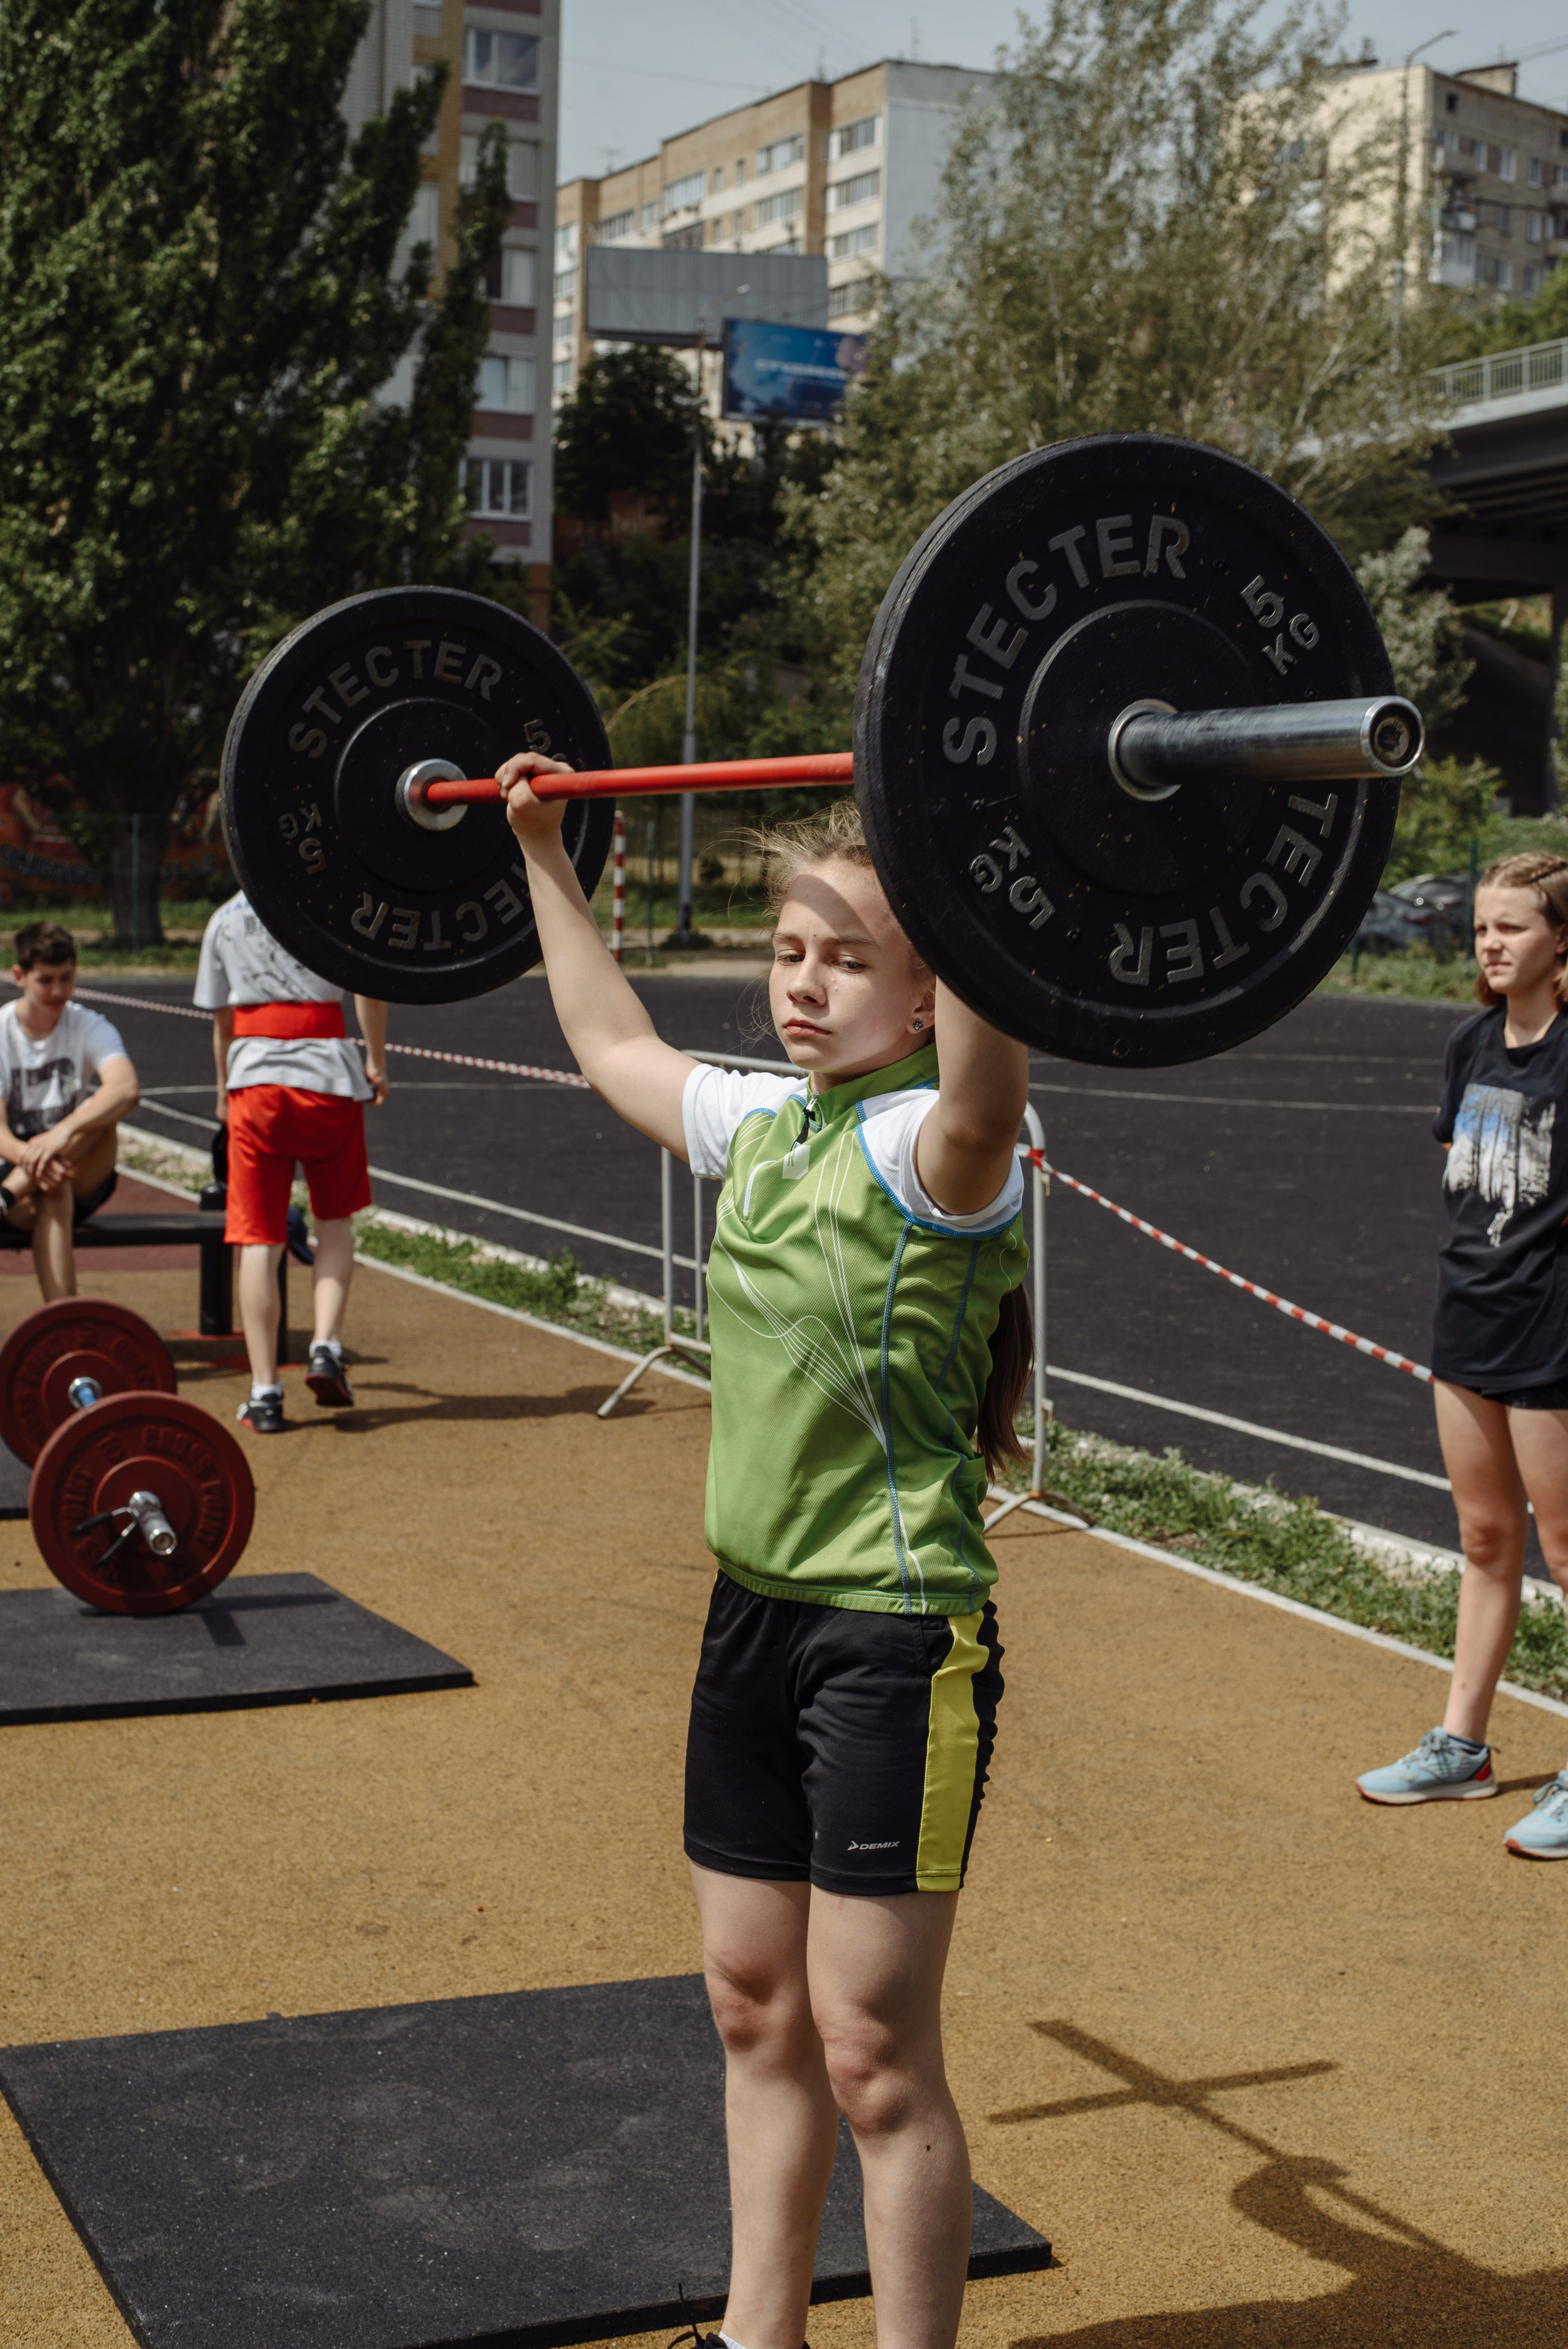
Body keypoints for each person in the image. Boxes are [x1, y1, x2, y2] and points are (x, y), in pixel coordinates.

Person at [500, 768, 1031, 2349]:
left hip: (893, 1639)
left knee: (874, 2047)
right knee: (752, 2004)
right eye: (788, 953)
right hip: (752, 1625)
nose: (804, 983)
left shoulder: (937, 1150)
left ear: (929, 982)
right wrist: (543, 848)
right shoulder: (769, 1121)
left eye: (848, 958)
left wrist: (997, 876)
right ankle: (757, 2336)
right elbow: (610, 1042)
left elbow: (990, 1096)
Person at [1357, 851, 1568, 1858]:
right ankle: (1464, 1750)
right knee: (1486, 1542)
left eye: (1514, 927)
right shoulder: (1469, 1042)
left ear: (1561, 941)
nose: (1490, 942)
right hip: (1468, 1318)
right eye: (1483, 926)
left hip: (1554, 1331)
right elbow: (1465, 1172)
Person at [195, 892, 388, 1433]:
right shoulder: (330, 903)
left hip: (253, 1078)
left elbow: (223, 1021)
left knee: (259, 1237)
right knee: (334, 1219)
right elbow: (368, 988)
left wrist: (220, 1091)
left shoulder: (223, 918)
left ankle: (265, 1392)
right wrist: (376, 1060)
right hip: (327, 1071)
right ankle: (325, 1345)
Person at [0, 919, 140, 1299]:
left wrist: (60, 1133)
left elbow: (127, 1089)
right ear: (19, 976)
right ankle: (63, 1324)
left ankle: (7, 1194)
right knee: (54, 1190)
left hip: (71, 1167)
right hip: (20, 1166)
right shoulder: (2, 1032)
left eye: (66, 978)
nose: (58, 991)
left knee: (100, 1114)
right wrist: (33, 1155)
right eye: (46, 980)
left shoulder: (88, 1024)